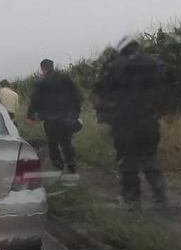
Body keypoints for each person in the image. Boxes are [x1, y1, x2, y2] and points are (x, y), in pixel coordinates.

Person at [93, 36, 168, 210]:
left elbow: (99, 92)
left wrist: (106, 114)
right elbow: (168, 89)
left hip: (123, 122)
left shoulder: (113, 66)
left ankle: (132, 202)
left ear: (121, 49)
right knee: (150, 157)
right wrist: (158, 111)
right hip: (149, 120)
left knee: (127, 162)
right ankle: (160, 196)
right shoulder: (155, 63)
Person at [27, 59, 83, 174]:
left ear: (42, 68)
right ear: (52, 66)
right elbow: (77, 95)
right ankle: (71, 165)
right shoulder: (65, 78)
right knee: (66, 142)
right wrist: (76, 112)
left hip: (50, 120)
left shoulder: (41, 83)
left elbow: (35, 100)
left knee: (53, 143)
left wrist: (30, 115)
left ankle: (58, 165)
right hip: (67, 118)